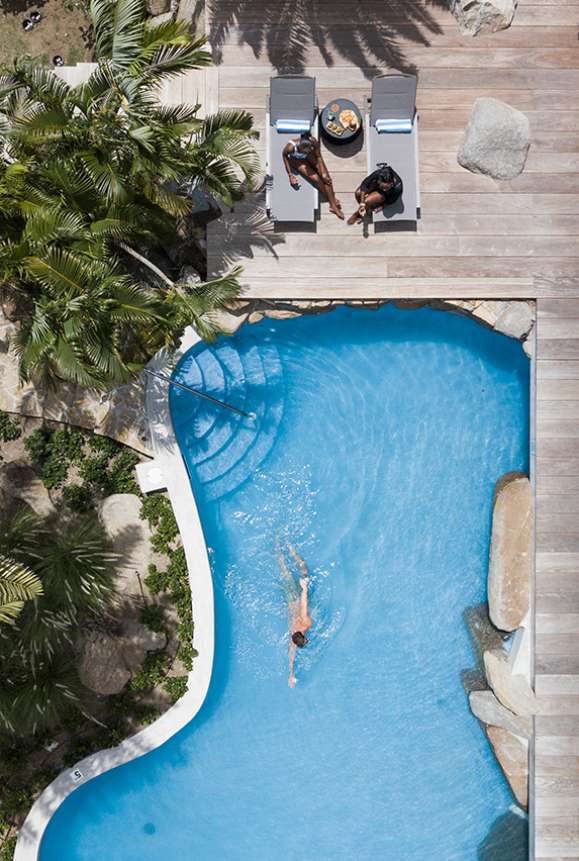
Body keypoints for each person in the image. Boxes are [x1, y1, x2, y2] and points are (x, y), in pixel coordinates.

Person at [282, 132, 344, 220]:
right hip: (296, 159)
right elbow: (284, 156)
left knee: (327, 179)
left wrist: (323, 173)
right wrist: (290, 175)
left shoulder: (313, 142)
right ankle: (333, 203)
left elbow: (319, 156)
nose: (309, 150)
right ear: (299, 148)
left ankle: (332, 205)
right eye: (305, 151)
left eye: (310, 149)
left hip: (308, 157)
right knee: (317, 179)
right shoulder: (290, 147)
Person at [277, 541, 313, 688]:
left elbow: (304, 605)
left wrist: (304, 589)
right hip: (291, 599)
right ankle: (283, 548)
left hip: (294, 599)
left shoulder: (304, 624)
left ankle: (285, 548)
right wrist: (290, 674)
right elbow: (291, 656)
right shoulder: (295, 635)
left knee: (300, 569)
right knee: (285, 571)